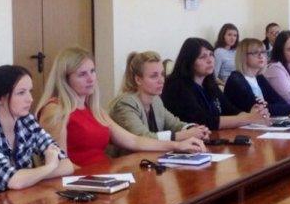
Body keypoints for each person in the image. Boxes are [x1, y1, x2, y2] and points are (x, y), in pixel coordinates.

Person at [37, 47, 205, 167]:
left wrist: (178, 146)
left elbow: (133, 140)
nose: (91, 78)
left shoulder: (95, 110)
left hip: (105, 177)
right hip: (82, 185)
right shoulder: (55, 109)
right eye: (82, 74)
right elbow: (59, 165)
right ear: (65, 79)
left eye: (92, 71)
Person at [0, 65, 74, 204]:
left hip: (16, 201)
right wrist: (50, 166)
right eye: (21, 93)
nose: (30, 99)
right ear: (0, 98)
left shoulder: (26, 122)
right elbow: (14, 181)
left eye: (30, 91)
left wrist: (31, 176)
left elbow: (67, 165)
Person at [108, 51, 210, 155]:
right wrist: (183, 135)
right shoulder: (124, 104)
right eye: (154, 76)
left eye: (162, 74)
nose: (161, 81)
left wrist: (194, 130)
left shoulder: (156, 100)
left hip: (150, 159)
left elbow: (174, 124)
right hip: (126, 162)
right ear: (138, 79)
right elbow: (142, 138)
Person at [162, 38, 270, 130]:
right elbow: (204, 121)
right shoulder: (177, 86)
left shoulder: (209, 84)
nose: (210, 60)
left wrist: (255, 115)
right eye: (203, 57)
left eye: (211, 55)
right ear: (189, 61)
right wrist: (248, 118)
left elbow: (230, 110)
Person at [224, 38, 290, 117]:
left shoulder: (259, 78)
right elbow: (259, 110)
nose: (261, 56)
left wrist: (268, 106)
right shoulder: (236, 80)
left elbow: (280, 102)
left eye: (263, 52)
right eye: (255, 53)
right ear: (243, 56)